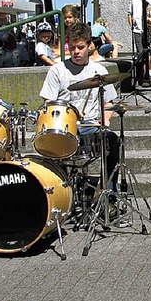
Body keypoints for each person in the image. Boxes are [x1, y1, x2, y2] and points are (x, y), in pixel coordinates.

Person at [40, 22, 120, 190]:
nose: (76, 52)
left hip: (91, 125)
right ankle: (62, 192)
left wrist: (105, 121)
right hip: (66, 127)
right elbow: (48, 103)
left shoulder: (99, 70)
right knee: (53, 145)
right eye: (73, 47)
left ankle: (108, 191)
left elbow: (109, 102)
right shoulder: (57, 71)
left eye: (80, 47)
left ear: (89, 46)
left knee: (113, 141)